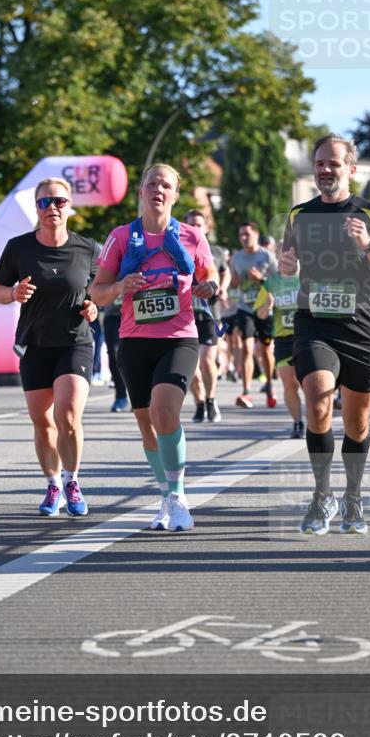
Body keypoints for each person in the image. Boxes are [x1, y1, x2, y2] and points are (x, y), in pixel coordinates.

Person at [280, 134, 370, 536]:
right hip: (314, 323)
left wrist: (369, 245)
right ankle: (322, 495)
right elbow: (289, 265)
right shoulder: (299, 215)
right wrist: (286, 266)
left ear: (351, 169)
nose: (324, 170)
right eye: (319, 163)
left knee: (357, 422)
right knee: (317, 399)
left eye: (333, 164)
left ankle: (352, 495)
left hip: (361, 326)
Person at [90, 163, 218, 533]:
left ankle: (177, 496)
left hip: (179, 337)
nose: (158, 190)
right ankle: (165, 495)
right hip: (134, 341)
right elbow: (96, 293)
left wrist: (209, 287)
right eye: (152, 184)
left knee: (165, 412)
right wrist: (119, 288)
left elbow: (209, 276)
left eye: (166, 186)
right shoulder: (120, 237)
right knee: (147, 426)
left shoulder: (192, 236)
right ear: (141, 192)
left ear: (176, 195)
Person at [0, 177, 99, 517]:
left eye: (59, 201)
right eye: (44, 202)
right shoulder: (19, 247)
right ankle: (53, 485)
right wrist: (12, 294)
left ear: (70, 207)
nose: (52, 207)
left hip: (74, 342)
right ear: (36, 208)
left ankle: (72, 480)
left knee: (67, 414)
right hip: (35, 344)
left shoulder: (89, 249)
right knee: (42, 423)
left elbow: (102, 290)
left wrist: (96, 306)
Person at [184, 209, 229, 423]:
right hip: (186, 315)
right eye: (191, 225)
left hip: (211, 314)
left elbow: (225, 271)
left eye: (199, 225)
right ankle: (200, 403)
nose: (196, 228)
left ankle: (211, 400)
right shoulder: (178, 250)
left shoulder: (217, 251)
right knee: (191, 366)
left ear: (206, 228)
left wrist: (223, 287)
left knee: (208, 361)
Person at [230, 221, 278, 409]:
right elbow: (235, 283)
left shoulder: (267, 256)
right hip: (245, 308)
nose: (243, 238)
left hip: (265, 308)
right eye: (241, 234)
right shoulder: (236, 258)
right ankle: (246, 391)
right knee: (247, 348)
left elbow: (279, 281)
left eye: (247, 234)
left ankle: (269, 384)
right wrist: (234, 282)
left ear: (256, 235)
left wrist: (261, 279)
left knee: (266, 350)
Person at [254, 261, 304, 437]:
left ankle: (318, 420)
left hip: (308, 336)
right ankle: (298, 423)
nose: (287, 260)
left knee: (309, 384)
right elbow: (259, 314)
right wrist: (267, 306)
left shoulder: (308, 278)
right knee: (289, 384)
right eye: (283, 256)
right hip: (283, 339)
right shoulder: (271, 283)